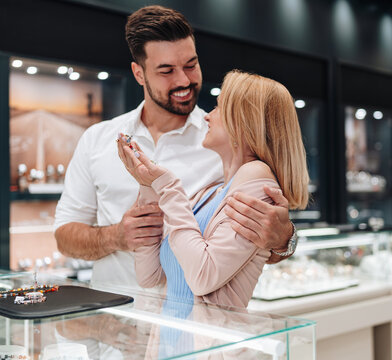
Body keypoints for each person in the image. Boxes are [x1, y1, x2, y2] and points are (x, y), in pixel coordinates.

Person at [54, 5, 297, 289]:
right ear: (139, 73)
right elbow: (64, 236)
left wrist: (284, 239)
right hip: (114, 320)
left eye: (191, 65)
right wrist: (116, 236)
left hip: (194, 325)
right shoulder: (98, 138)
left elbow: (258, 248)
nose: (184, 80)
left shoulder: (225, 143)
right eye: (166, 70)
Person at [117, 69, 309, 309]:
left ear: (243, 121)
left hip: (211, 345)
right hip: (169, 344)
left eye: (218, 108)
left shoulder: (255, 177)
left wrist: (166, 186)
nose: (208, 116)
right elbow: (150, 277)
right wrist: (147, 185)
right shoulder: (209, 193)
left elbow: (203, 277)